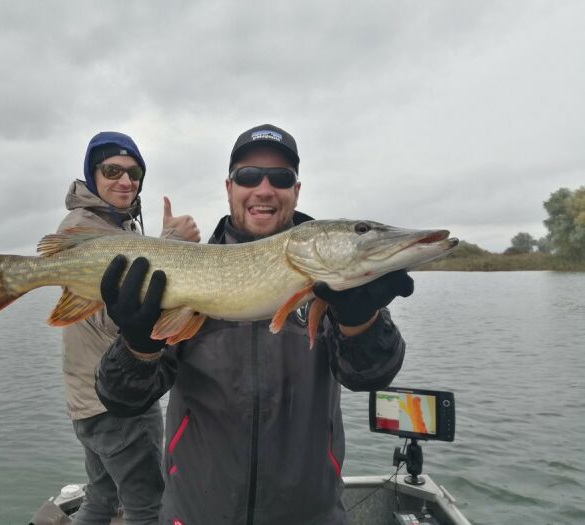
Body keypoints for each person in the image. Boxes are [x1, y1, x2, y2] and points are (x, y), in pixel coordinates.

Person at [94, 124, 413, 524]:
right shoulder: (184, 276)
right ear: (229, 188)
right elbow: (121, 400)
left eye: (281, 178)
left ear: (296, 191)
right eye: (249, 176)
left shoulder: (330, 282)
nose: (264, 189)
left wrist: (361, 322)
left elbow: (370, 375)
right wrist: (137, 345)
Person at [59, 131, 199, 525]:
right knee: (147, 507)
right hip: (114, 406)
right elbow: (116, 312)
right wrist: (172, 243)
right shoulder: (89, 228)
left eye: (134, 172)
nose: (126, 181)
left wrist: (162, 246)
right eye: (112, 170)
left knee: (101, 501)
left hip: (84, 401)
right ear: (93, 174)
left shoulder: (112, 226)